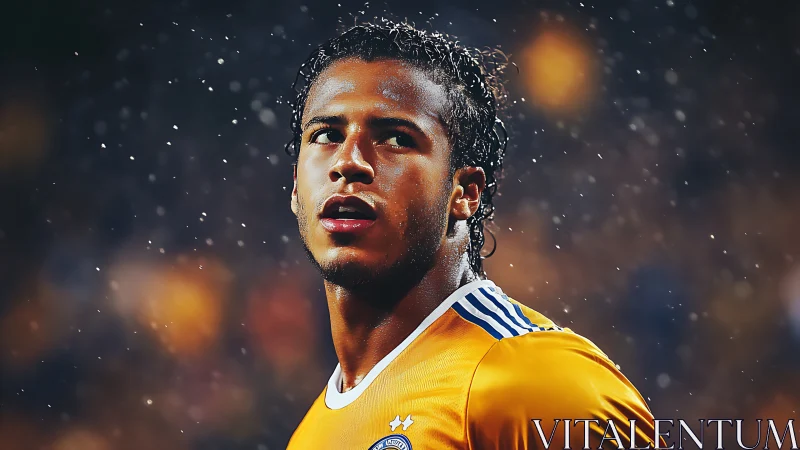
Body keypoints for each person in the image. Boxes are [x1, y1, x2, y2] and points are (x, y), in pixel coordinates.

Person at [285, 19, 662, 450]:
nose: (349, 161)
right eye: (327, 135)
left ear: (464, 193)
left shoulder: (537, 384)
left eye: (395, 139)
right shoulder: (310, 435)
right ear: (295, 187)